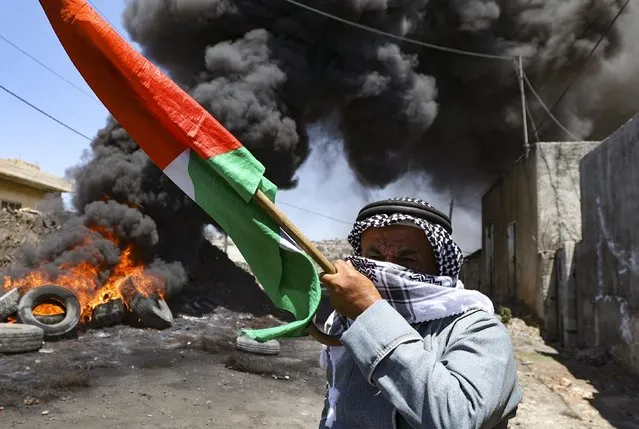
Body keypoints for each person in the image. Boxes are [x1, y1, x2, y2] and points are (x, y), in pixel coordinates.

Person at [318, 197, 521, 429]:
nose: (387, 267)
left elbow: (456, 418)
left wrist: (370, 310)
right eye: (373, 258)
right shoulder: (347, 321)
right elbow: (336, 405)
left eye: (406, 259)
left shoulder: (479, 330)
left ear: (439, 267)